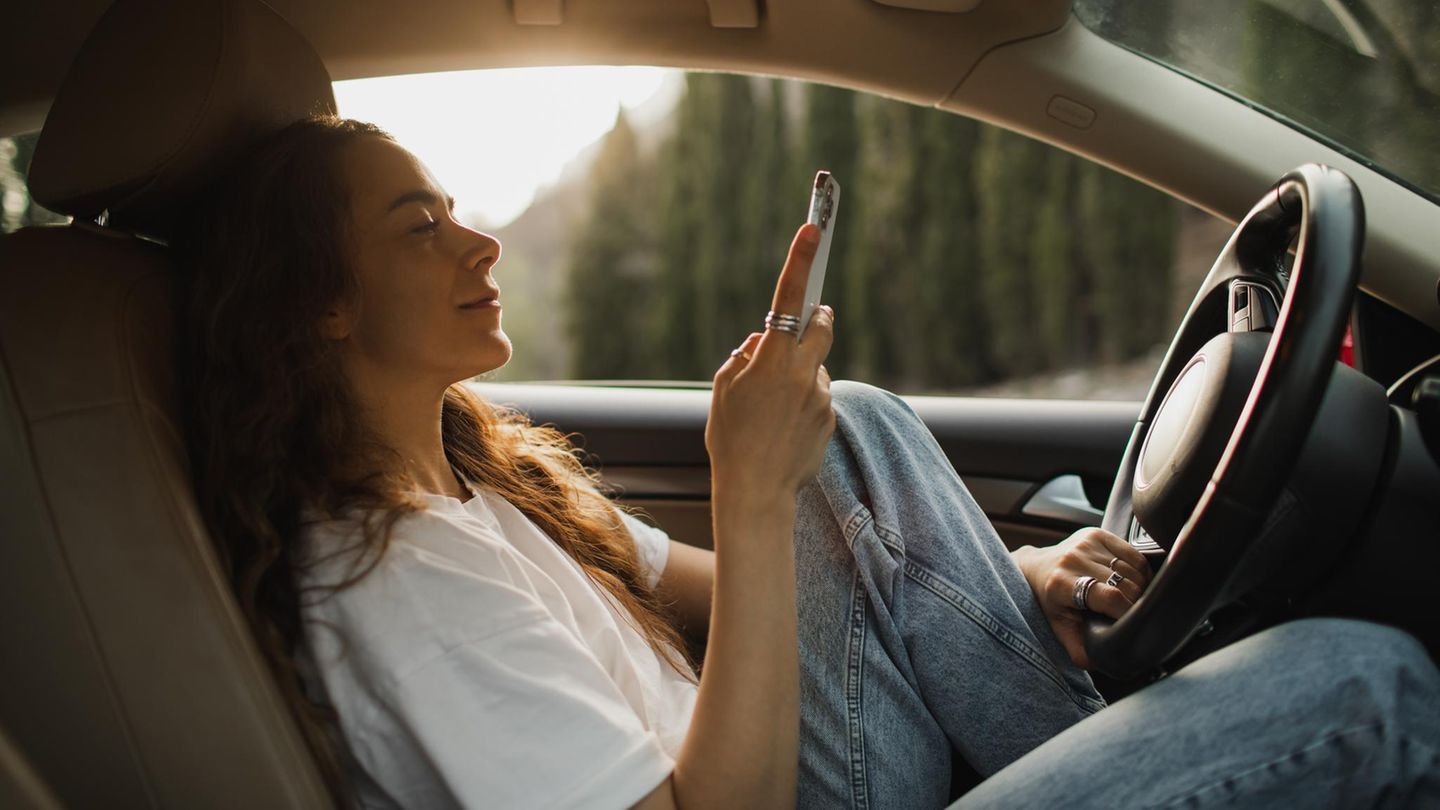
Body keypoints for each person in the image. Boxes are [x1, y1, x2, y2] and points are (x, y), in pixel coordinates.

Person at [175, 114, 1440, 809]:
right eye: (422, 226)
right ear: (321, 303)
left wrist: (1012, 579)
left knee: (864, 425)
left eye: (456, 208)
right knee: (1368, 677)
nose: (481, 241)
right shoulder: (394, 585)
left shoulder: (470, 488)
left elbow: (770, 590)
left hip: (801, 771)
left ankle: (1090, 713)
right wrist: (752, 485)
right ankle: (1106, 728)